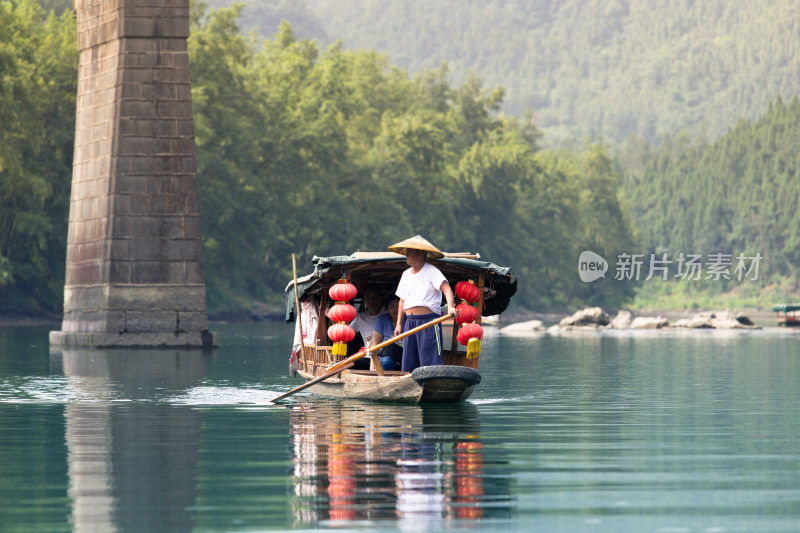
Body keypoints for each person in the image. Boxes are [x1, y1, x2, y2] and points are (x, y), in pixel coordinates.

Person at [390, 235, 456, 372]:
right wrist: (399, 324)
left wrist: (450, 307)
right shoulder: (405, 274)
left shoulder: (432, 271)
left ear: (420, 254)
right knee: (409, 362)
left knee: (430, 361)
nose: (406, 255)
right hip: (410, 322)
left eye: (409, 252)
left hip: (428, 322)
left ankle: (433, 385)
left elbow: (447, 290)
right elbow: (402, 300)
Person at [371, 296, 403, 371]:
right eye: (392, 306)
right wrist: (372, 368)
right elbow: (375, 345)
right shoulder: (382, 320)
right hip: (388, 358)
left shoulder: (408, 320)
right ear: (387, 308)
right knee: (386, 361)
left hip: (404, 356)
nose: (395, 309)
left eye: (398, 306)